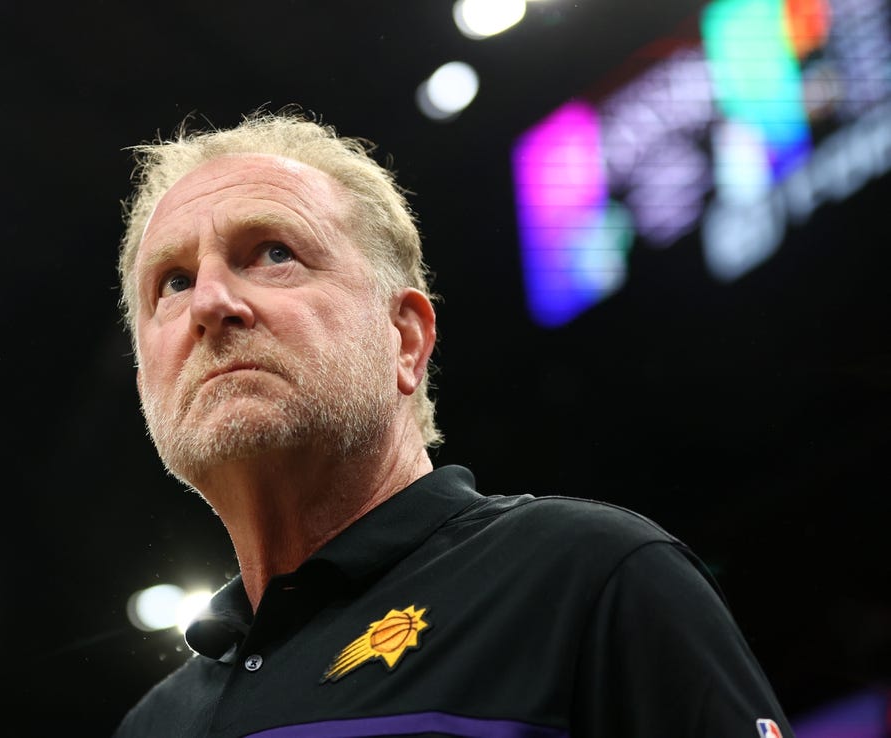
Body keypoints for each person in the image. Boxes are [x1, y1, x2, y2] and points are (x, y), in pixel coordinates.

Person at [112, 111, 795, 738]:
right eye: (171, 282)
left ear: (405, 338)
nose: (209, 302)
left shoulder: (586, 577)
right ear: (149, 381)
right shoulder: (152, 727)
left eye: (272, 252)